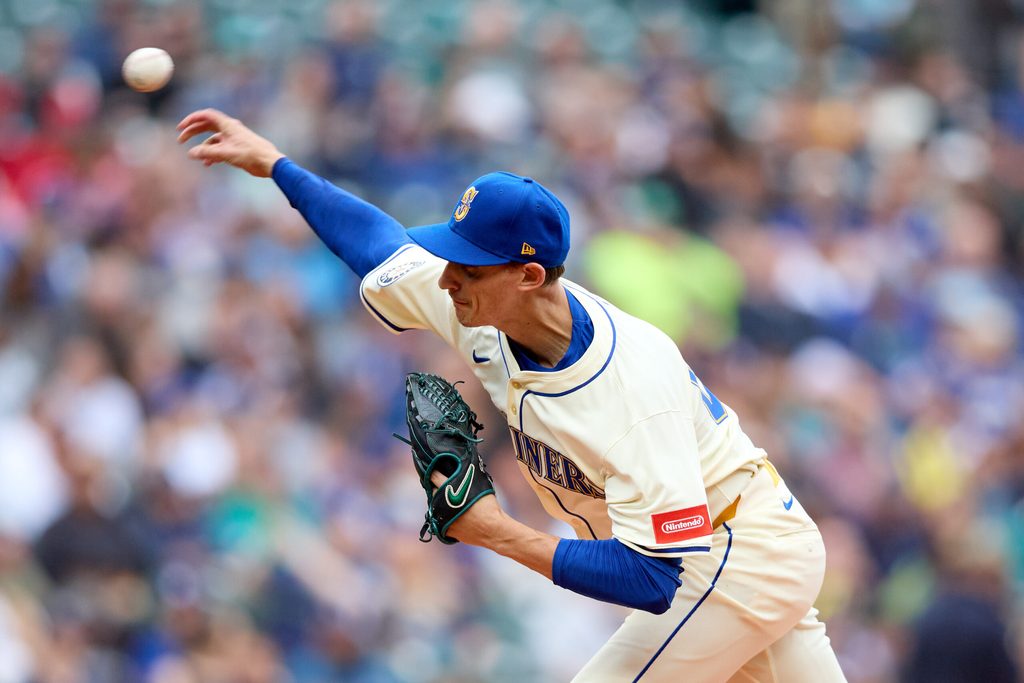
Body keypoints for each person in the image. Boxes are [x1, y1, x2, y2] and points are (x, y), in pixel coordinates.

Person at [177, 108, 847, 683]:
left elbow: (653, 578)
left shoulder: (633, 383)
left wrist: (497, 533)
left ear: (528, 274)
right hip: (729, 545)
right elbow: (377, 244)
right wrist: (277, 167)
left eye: (466, 268)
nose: (446, 281)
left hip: (731, 551)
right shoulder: (484, 305)